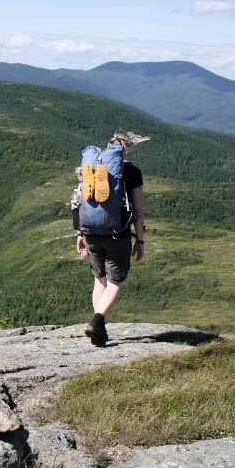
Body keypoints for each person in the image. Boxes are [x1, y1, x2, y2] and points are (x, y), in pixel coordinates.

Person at [73, 130, 147, 346]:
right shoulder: (132, 171)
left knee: (99, 280)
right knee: (115, 281)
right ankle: (98, 320)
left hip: (90, 233)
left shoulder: (91, 169)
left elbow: (78, 201)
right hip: (118, 234)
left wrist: (80, 233)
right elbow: (139, 211)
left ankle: (99, 330)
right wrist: (140, 240)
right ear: (126, 149)